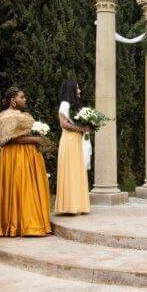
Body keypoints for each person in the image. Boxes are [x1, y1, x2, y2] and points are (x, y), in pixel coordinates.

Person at [0, 87, 51, 237]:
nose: (25, 99)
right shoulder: (5, 116)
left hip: (29, 156)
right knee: (18, 186)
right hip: (14, 155)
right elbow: (10, 138)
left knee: (29, 187)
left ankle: (30, 222)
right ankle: (19, 224)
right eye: (22, 97)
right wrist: (36, 139)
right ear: (13, 101)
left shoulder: (24, 115)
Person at [55, 79, 91, 215]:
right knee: (70, 170)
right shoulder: (64, 104)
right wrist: (80, 128)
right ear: (71, 90)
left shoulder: (75, 106)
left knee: (77, 170)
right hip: (69, 140)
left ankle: (79, 205)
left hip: (76, 140)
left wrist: (89, 126)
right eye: (77, 88)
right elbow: (63, 124)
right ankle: (69, 206)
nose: (79, 90)